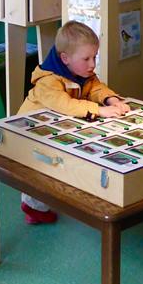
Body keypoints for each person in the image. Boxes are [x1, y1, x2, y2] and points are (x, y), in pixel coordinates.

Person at [16, 21, 131, 224]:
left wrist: (111, 99)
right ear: (65, 58)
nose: (92, 64)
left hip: (55, 128)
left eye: (94, 57)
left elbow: (96, 87)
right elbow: (65, 104)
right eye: (86, 58)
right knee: (39, 169)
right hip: (32, 130)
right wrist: (99, 110)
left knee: (55, 166)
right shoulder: (48, 81)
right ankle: (32, 206)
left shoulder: (80, 73)